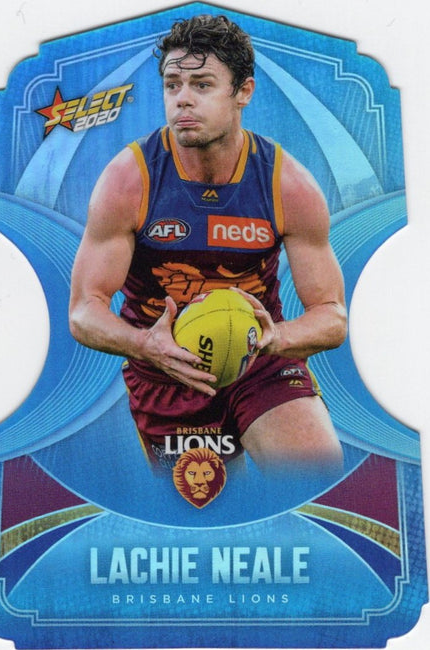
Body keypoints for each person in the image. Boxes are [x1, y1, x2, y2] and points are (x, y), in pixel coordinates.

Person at [69, 14, 347, 477]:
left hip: (259, 364)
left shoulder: (287, 185)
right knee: (207, 509)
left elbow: (332, 316)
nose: (182, 98)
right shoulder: (129, 180)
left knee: (314, 476)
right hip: (165, 373)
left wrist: (277, 338)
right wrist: (145, 344)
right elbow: (83, 310)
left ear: (244, 92)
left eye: (202, 85)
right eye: (172, 84)